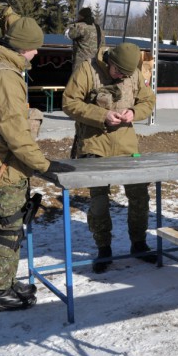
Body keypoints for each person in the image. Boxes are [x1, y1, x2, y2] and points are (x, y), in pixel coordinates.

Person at [0, 17, 68, 312]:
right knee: (8, 230)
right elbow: (16, 134)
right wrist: (45, 166)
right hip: (1, 166)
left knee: (4, 227)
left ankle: (5, 282)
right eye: (33, 48)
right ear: (22, 48)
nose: (36, 54)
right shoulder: (6, 78)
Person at [62, 42, 156, 273]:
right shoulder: (87, 70)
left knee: (139, 198)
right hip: (95, 147)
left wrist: (134, 112)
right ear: (109, 61)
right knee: (99, 203)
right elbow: (69, 102)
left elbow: (148, 101)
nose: (121, 77)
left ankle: (139, 243)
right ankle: (103, 249)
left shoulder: (132, 73)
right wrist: (102, 115)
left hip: (127, 146)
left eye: (125, 74)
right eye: (118, 72)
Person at [65, 7, 104, 72]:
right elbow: (102, 44)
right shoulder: (99, 28)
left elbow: (68, 34)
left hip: (81, 62)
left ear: (82, 16)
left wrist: (71, 25)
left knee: (77, 80)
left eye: (79, 15)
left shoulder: (80, 26)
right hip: (94, 62)